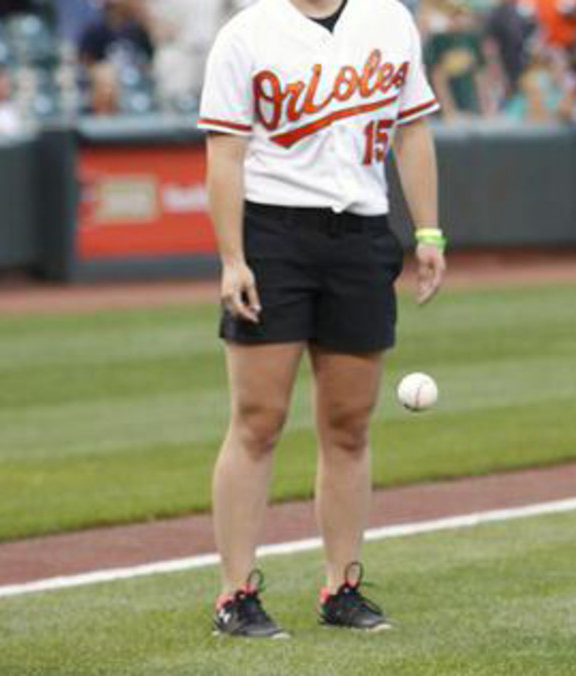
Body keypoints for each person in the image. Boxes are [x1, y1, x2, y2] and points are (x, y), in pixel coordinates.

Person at [198, 0, 446, 638]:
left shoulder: (388, 18)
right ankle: (235, 593)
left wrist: (429, 231)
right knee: (258, 420)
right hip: (274, 232)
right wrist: (233, 258)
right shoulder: (246, 34)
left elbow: (412, 130)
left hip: (362, 232)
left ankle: (341, 584)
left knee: (349, 423)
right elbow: (224, 155)